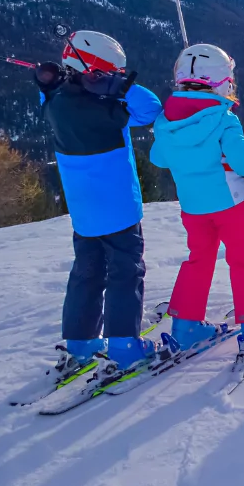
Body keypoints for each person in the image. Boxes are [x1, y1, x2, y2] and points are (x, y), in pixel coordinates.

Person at [35, 31, 162, 372]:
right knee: (125, 273)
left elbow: (48, 93)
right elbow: (151, 109)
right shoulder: (108, 108)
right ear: (97, 72)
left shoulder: (54, 102)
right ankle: (124, 347)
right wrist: (118, 87)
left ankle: (80, 344)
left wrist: (57, 81)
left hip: (83, 212)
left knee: (86, 273)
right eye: (112, 72)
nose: (117, 77)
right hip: (119, 209)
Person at [149, 44, 244, 356]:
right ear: (222, 81)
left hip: (192, 207)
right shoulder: (222, 118)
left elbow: (159, 158)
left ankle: (185, 326)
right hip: (230, 204)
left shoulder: (165, 120)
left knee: (198, 260)